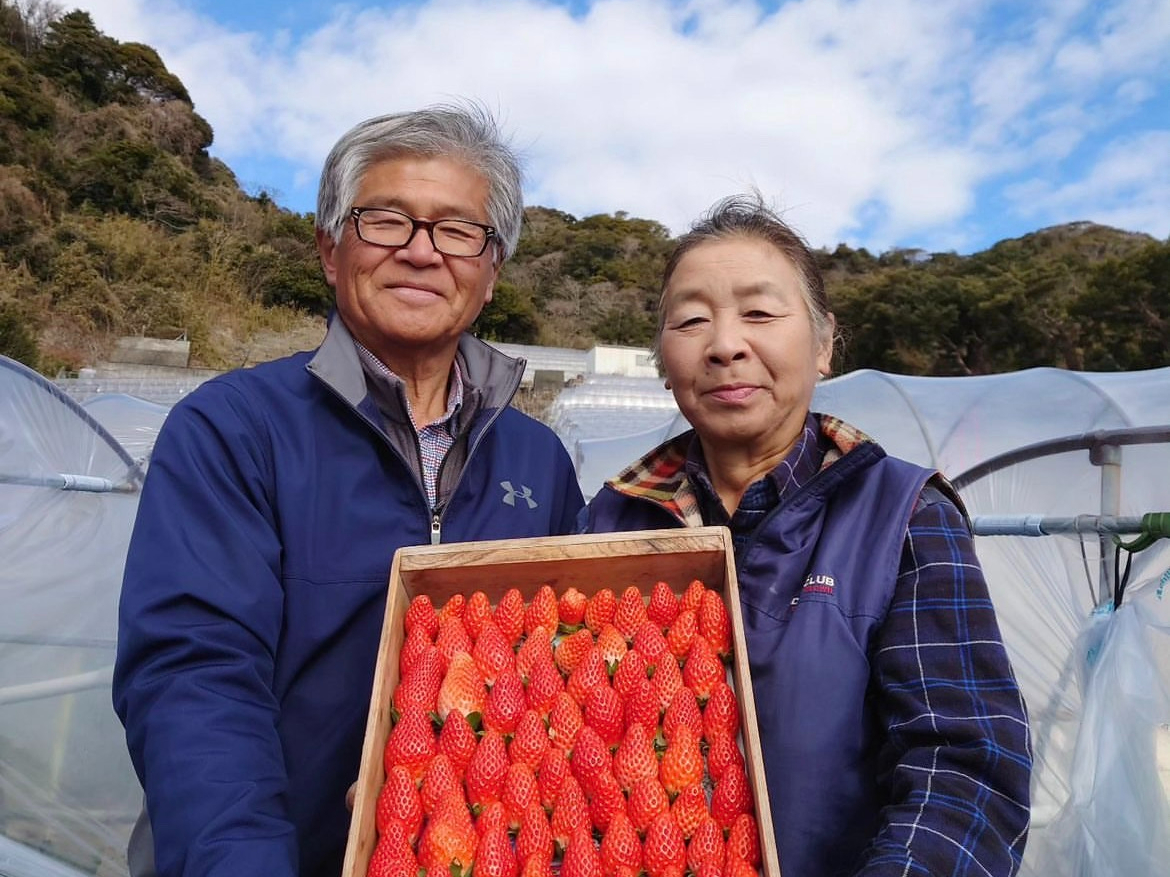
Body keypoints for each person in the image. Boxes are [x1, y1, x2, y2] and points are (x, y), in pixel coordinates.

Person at [113, 104, 585, 877]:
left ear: (492, 271)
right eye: (387, 220)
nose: (422, 251)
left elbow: (560, 677)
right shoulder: (233, 429)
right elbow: (195, 677)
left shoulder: (539, 460)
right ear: (331, 250)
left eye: (458, 229)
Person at [582, 196, 1032, 877]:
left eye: (759, 313)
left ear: (823, 343)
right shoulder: (610, 520)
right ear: (663, 359)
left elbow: (963, 768)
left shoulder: (903, 513)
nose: (726, 344)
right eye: (691, 320)